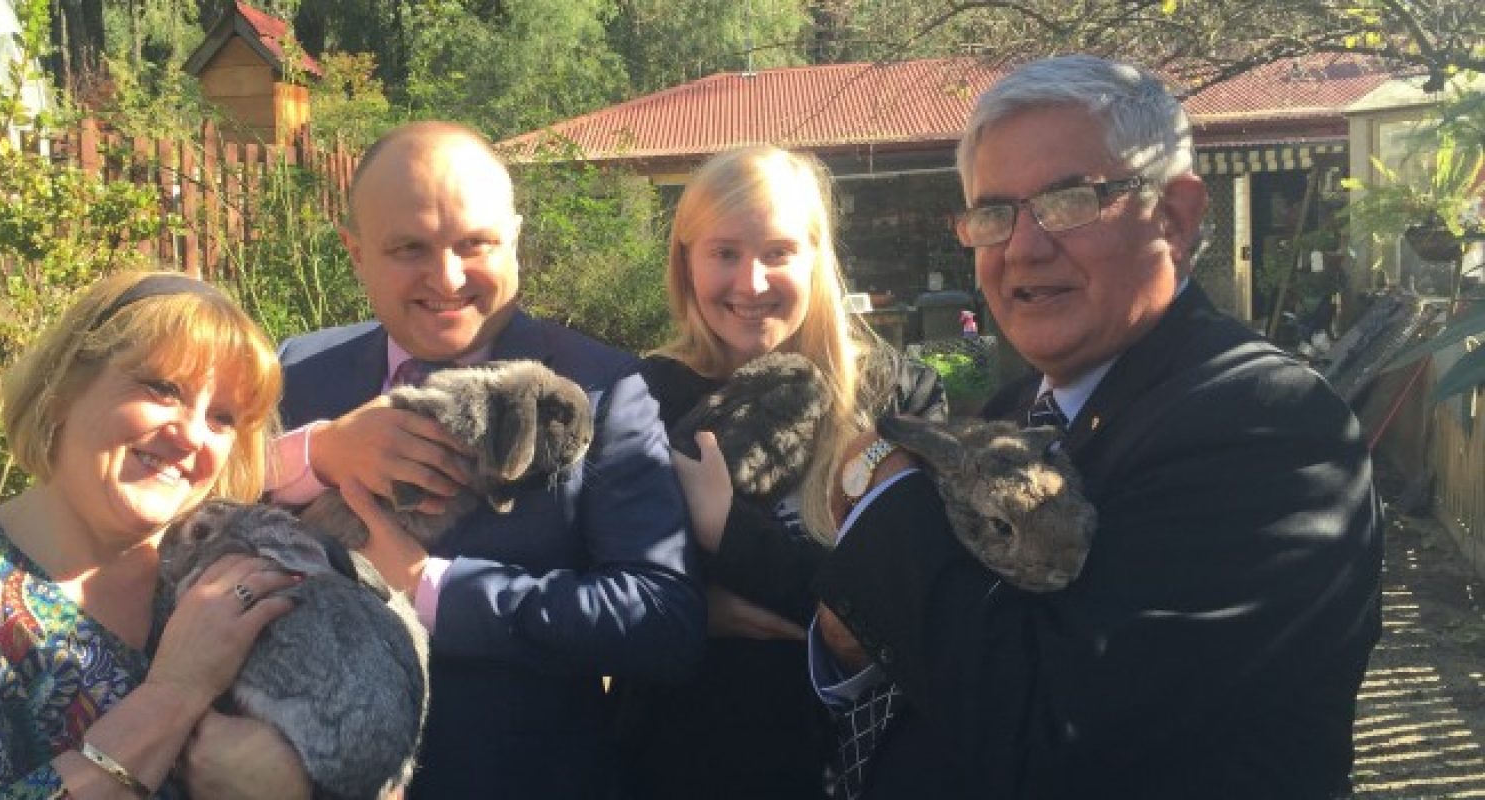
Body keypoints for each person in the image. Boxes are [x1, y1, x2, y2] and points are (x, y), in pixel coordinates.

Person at [811, 55, 1383, 798]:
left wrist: (884, 497)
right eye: (994, 213)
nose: (1022, 247)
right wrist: (848, 644)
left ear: (1175, 218)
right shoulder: (1012, 412)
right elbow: (933, 652)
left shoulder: (1270, 429)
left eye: (1069, 200)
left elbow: (1053, 742)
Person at [265, 121, 704, 799]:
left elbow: (660, 620)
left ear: (514, 240)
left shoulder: (601, 389)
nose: (447, 277)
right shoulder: (297, 369)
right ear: (356, 253)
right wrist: (313, 454)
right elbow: (197, 512)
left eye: (475, 244)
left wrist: (431, 587)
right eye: (409, 248)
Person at [0, 270, 312, 799]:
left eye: (222, 417)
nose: (192, 435)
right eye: (163, 388)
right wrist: (173, 696)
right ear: (63, 389)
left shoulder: (244, 579)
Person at [613, 145, 946, 799]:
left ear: (817, 256)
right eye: (725, 253)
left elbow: (901, 610)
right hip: (683, 762)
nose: (752, 283)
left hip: (857, 767)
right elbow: (611, 594)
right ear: (686, 261)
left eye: (778, 252)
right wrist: (688, 612)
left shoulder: (898, 399)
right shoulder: (641, 397)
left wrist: (723, 532)